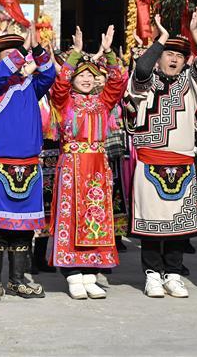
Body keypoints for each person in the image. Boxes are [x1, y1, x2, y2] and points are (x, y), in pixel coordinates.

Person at [126, 8, 197, 299]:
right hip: (151, 162)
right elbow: (140, 68)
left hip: (183, 161)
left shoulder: (191, 84)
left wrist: (196, 31)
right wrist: (160, 39)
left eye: (179, 55)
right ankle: (152, 274)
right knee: (151, 223)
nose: (173, 59)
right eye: (168, 53)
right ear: (160, 56)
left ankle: (173, 273)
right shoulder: (144, 82)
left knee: (178, 224)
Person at [48, 26, 126, 299]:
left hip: (97, 167)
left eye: (91, 76)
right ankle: (72, 274)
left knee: (96, 217)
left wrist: (111, 54)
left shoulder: (102, 103)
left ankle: (91, 272)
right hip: (72, 166)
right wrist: (76, 54)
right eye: (81, 75)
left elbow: (118, 82)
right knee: (71, 217)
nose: (86, 80)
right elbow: (58, 85)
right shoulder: (64, 102)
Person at [0, 28, 56, 299]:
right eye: (9, 56)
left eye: (19, 55)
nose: (17, 60)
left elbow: (49, 72)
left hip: (30, 164)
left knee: (24, 228)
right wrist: (22, 49)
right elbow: (0, 73)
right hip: (0, 165)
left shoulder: (32, 85)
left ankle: (16, 281)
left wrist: (36, 49)